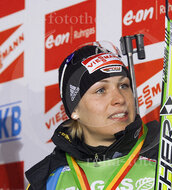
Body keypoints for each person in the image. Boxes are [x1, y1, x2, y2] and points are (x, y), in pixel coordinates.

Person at [25, 41, 160, 190]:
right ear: (74, 110)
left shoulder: (167, 151)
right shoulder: (46, 178)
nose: (120, 99)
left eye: (124, 86)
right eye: (101, 90)